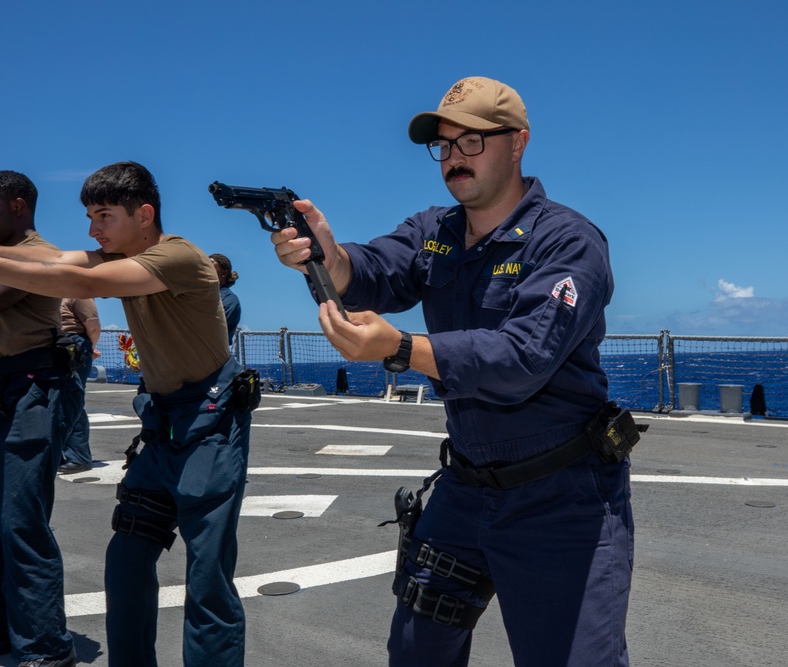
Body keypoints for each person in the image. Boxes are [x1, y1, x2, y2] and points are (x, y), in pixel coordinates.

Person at [270, 76, 635, 666]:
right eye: (445, 145)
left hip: (561, 496)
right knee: (416, 653)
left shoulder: (567, 241)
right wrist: (326, 255)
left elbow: (523, 359)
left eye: (472, 143)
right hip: (467, 483)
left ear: (517, 143)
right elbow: (375, 271)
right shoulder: (434, 231)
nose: (454, 159)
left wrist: (399, 349)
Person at [0, 161, 255, 667]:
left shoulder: (180, 257)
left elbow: (75, 277)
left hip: (210, 426)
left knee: (208, 578)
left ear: (144, 214)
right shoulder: (115, 253)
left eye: (103, 216)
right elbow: (61, 261)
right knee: (125, 564)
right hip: (161, 426)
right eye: (90, 217)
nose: (93, 229)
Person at [0, 171, 81, 667]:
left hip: (29, 388)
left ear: (19, 206)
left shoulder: (36, 258)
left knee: (20, 521)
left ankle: (44, 646)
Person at [59, 297, 101, 474]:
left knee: (71, 399)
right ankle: (71, 453)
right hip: (60, 344)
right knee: (64, 399)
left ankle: (78, 457)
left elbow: (93, 326)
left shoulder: (77, 292)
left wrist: (88, 349)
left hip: (73, 343)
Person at [209, 253, 241, 345]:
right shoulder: (199, 296)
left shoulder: (229, 301)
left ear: (224, 273)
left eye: (210, 267)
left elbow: (213, 332)